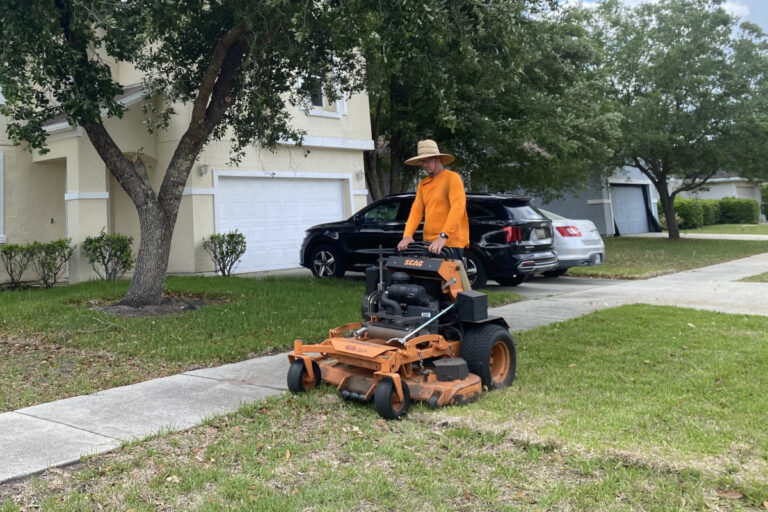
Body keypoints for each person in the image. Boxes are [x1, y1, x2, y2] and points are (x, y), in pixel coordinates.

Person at [397, 139, 469, 257]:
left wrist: (443, 236)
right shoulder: (423, 184)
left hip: (450, 243)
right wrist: (407, 236)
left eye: (427, 160)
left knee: (450, 275)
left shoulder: (452, 178)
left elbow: (458, 208)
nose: (424, 165)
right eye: (422, 162)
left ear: (438, 158)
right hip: (429, 244)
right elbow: (416, 211)